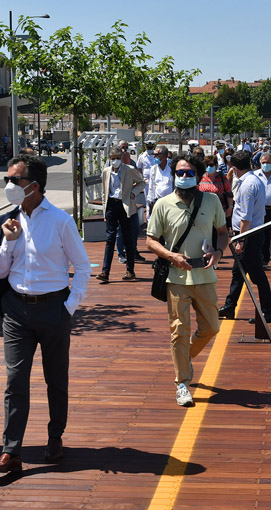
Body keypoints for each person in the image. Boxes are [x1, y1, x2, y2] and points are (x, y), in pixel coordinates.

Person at [0, 154, 91, 472]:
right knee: (15, 380)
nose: (7, 185)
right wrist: (8, 242)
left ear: (33, 186)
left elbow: (83, 266)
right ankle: (11, 450)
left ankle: (55, 436)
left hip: (53, 308)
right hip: (17, 311)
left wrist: (68, 307)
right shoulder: (10, 220)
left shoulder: (60, 220)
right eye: (7, 179)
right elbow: (1, 272)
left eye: (13, 180)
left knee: (55, 378)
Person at [146, 154, 228, 407]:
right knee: (179, 331)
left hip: (204, 275)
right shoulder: (163, 204)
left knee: (212, 328)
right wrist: (171, 256)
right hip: (176, 276)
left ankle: (185, 357)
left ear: (198, 175)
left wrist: (218, 252)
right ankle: (182, 382)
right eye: (179, 173)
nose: (183, 177)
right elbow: (151, 240)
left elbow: (223, 233)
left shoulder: (212, 201)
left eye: (188, 173)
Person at [218, 150, 271, 323]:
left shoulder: (247, 185)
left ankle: (268, 312)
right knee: (238, 272)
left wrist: (240, 240)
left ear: (234, 169)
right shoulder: (254, 180)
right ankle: (229, 306)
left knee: (257, 274)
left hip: (248, 234)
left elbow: (246, 217)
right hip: (250, 233)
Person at [97, 147, 145, 283]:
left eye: (117, 158)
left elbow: (141, 182)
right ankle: (105, 272)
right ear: (109, 159)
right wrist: (104, 209)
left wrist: (133, 193)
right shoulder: (106, 172)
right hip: (112, 205)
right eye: (113, 158)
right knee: (110, 238)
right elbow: (104, 191)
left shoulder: (128, 169)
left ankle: (130, 270)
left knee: (127, 238)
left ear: (121, 158)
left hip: (125, 205)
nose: (115, 161)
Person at [198, 154, 233, 220]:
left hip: (220, 213)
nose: (208, 167)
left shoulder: (221, 177)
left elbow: (229, 193)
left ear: (216, 165)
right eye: (207, 165)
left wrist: (230, 208)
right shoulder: (201, 177)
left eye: (211, 165)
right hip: (204, 214)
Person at [146, 145, 173, 217]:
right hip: (158, 202)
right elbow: (151, 187)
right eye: (153, 154)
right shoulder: (153, 169)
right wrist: (151, 204)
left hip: (171, 202)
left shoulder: (172, 167)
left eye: (156, 155)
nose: (154, 157)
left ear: (164, 156)